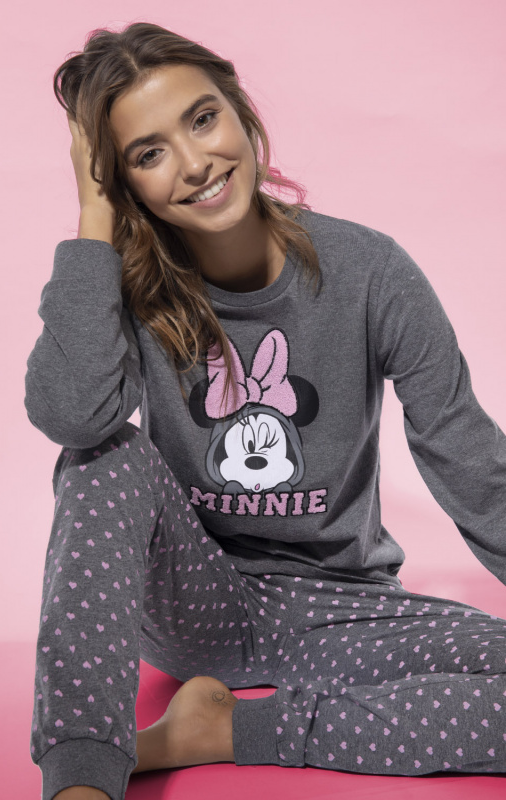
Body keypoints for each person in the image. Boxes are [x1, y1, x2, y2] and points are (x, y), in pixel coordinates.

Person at [25, 20, 506, 800]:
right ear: (122, 182)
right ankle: (82, 770)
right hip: (196, 601)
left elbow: (463, 450)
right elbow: (75, 417)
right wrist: (93, 223)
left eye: (202, 119)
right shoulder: (128, 290)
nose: (194, 163)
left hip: (343, 609)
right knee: (102, 454)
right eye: (148, 154)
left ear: (240, 111)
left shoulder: (369, 272)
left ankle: (218, 732)